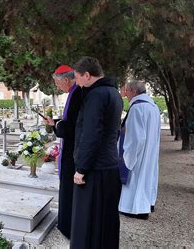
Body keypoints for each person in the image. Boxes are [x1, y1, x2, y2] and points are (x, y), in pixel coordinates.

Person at [70, 56, 123, 249]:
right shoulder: (114, 93)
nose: (77, 83)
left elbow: (91, 134)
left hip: (94, 169)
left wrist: (81, 168)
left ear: (87, 75)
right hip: (109, 164)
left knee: (88, 221)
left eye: (77, 78)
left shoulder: (95, 95)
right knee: (105, 221)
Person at [43, 65, 82, 239]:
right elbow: (68, 122)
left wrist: (58, 125)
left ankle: (68, 226)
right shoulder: (74, 93)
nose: (57, 87)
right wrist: (55, 123)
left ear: (66, 79)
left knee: (68, 188)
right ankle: (66, 224)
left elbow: (72, 126)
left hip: (73, 151)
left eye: (58, 83)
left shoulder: (77, 94)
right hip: (71, 148)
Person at [119, 80, 160, 219]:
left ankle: (133, 208)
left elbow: (135, 137)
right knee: (146, 177)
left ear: (134, 92)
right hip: (149, 151)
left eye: (127, 91)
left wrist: (128, 157)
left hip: (139, 153)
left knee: (135, 179)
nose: (126, 94)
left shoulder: (137, 108)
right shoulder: (152, 106)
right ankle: (145, 205)